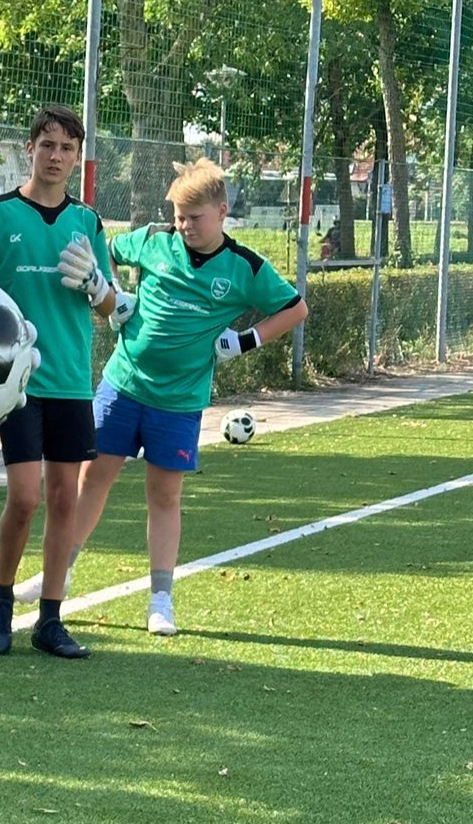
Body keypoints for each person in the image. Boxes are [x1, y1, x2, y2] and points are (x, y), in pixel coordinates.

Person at [66, 157, 309, 635]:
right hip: (122, 382)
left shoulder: (244, 267)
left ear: (221, 212)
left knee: (164, 494)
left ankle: (161, 600)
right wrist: (112, 293)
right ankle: (61, 571)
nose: (184, 226)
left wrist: (246, 341)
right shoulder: (156, 241)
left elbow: (295, 307)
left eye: (193, 218)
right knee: (92, 476)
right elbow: (106, 250)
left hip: (178, 402)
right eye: (178, 216)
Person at [0, 103, 119, 660]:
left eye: (67, 148)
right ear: (29, 149)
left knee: (63, 499)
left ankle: (50, 619)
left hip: (72, 381)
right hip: (15, 382)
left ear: (78, 158)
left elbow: (111, 309)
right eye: (47, 145)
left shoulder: (87, 222)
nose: (56, 156)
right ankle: (0, 603)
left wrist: (98, 285)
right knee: (25, 497)